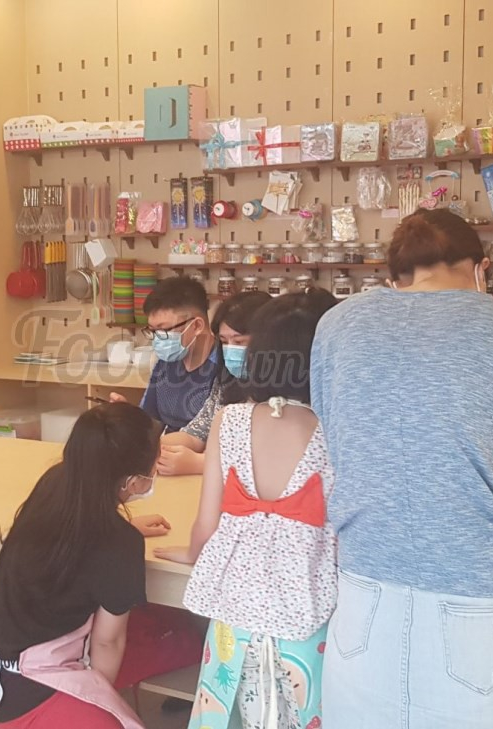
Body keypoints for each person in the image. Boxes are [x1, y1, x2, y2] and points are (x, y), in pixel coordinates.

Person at [310, 209, 493, 727]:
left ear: (396, 276)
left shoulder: (337, 327)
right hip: (485, 608)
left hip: (364, 600)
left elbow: (336, 448)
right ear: (481, 269)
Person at [156, 291, 339, 729]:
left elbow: (207, 522)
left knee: (229, 708)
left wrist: (192, 551)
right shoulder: (337, 430)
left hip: (234, 612)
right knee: (309, 712)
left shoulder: (230, 419)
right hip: (307, 611)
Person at [0, 402, 199, 728]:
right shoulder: (118, 542)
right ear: (133, 481)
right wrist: (96, 701)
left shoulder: (55, 484)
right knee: (181, 640)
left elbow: (73, 537)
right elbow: (108, 642)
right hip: (30, 700)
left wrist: (123, 529)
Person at [156, 291, 272, 476]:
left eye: (239, 341)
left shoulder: (286, 394)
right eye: (224, 342)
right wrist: (151, 448)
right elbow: (195, 434)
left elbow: (270, 458)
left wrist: (200, 463)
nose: (230, 350)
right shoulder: (227, 382)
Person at [113, 277, 218, 434]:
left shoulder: (226, 368)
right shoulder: (165, 364)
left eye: (164, 330)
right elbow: (151, 423)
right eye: (153, 331)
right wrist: (128, 417)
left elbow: (219, 437)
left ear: (196, 326)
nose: (158, 339)